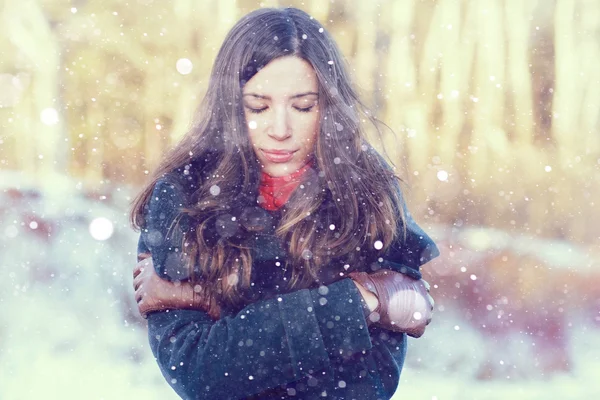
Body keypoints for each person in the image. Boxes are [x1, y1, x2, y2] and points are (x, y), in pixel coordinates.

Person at [130, 7, 439, 400]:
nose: (280, 129)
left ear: (329, 105)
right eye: (257, 107)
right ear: (230, 106)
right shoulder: (185, 193)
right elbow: (201, 373)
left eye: (303, 106)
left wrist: (221, 301)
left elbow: (370, 381)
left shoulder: (366, 188)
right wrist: (358, 302)